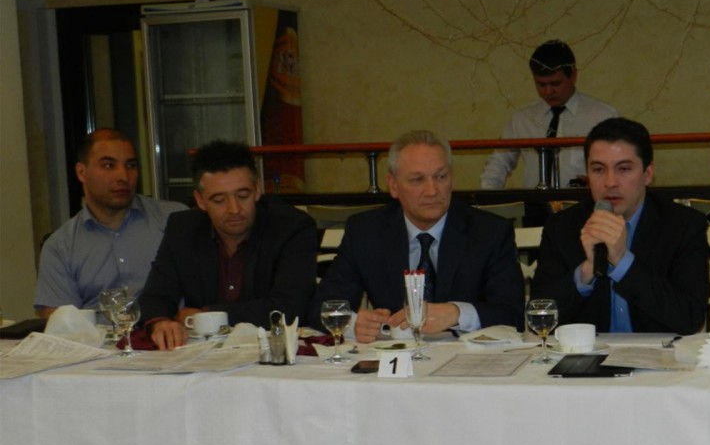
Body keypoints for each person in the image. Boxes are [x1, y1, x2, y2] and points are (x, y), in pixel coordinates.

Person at [310, 129, 524, 342]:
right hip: (394, 356)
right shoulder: (366, 232)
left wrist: (456, 313)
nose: (432, 191)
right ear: (394, 185)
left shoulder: (490, 232)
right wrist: (353, 323)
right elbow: (320, 307)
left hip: (468, 357)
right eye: (417, 180)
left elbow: (512, 315)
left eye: (440, 177)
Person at [531, 117, 710, 334]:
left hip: (659, 352)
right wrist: (587, 271)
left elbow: (689, 318)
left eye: (623, 169)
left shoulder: (684, 225)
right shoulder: (561, 227)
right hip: (587, 352)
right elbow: (539, 319)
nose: (610, 182)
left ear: (648, 174)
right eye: (598, 170)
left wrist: (622, 261)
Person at [141, 140, 317, 350]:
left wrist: (207, 316)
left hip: (271, 350)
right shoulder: (183, 229)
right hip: (203, 353)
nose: (234, 209)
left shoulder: (291, 227)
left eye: (243, 196)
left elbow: (289, 307)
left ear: (258, 190)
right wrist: (160, 322)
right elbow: (156, 295)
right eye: (219, 200)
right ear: (200, 200)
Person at [34, 128, 186, 318]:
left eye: (130, 165)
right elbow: (60, 321)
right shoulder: (61, 247)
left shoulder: (174, 220)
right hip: (98, 336)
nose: (123, 176)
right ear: (81, 172)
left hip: (171, 332)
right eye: (108, 166)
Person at [480, 40, 618, 191]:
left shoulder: (601, 116)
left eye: (556, 83)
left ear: (573, 75)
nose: (548, 91)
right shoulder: (523, 118)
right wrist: (487, 194)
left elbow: (617, 166)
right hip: (534, 204)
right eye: (541, 84)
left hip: (584, 202)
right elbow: (498, 163)